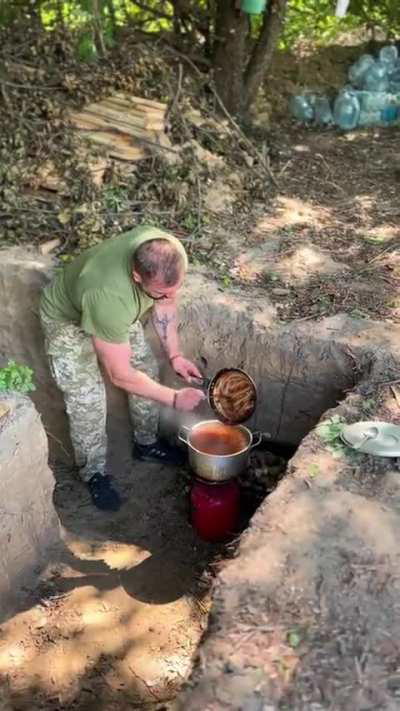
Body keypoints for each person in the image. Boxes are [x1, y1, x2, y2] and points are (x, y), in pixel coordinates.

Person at [40, 224, 205, 512]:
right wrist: (175, 398)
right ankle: (94, 474)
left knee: (146, 367)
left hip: (114, 314)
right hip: (67, 322)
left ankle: (146, 444)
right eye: (159, 292)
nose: (167, 296)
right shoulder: (109, 297)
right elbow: (120, 375)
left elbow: (166, 303)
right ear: (136, 276)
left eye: (173, 289)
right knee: (87, 400)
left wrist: (176, 355)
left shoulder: (170, 253)